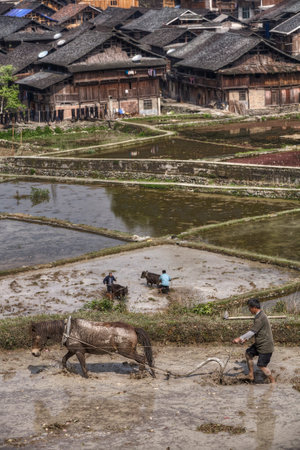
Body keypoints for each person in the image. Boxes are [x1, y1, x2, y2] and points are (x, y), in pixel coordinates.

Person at [233, 298, 275, 384]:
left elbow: (252, 331)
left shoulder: (260, 318)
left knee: (261, 365)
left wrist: (240, 338)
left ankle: (272, 381)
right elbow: (256, 331)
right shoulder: (259, 315)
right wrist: (245, 338)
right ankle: (251, 375)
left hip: (266, 345)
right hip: (260, 343)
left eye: (249, 308)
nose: (249, 310)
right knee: (248, 353)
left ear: (254, 307)